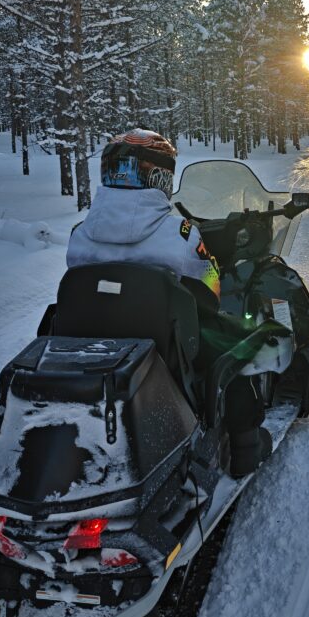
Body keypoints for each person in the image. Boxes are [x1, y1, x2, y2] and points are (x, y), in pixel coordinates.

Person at [66, 128, 272, 477]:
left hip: (92, 347)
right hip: (164, 347)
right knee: (238, 345)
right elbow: (209, 291)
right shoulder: (181, 234)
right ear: (160, 177)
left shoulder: (79, 233)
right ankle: (244, 449)